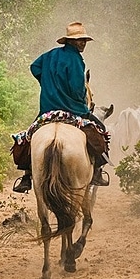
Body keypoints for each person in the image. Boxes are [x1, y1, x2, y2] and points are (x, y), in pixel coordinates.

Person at [13, 21, 110, 193]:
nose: (82, 43)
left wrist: (48, 84)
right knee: (100, 131)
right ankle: (96, 173)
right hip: (74, 109)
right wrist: (80, 101)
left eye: (84, 40)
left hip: (48, 110)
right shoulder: (76, 60)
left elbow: (34, 67)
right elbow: (76, 87)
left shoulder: (50, 55)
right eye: (79, 40)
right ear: (70, 41)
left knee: (29, 137)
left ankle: (27, 176)